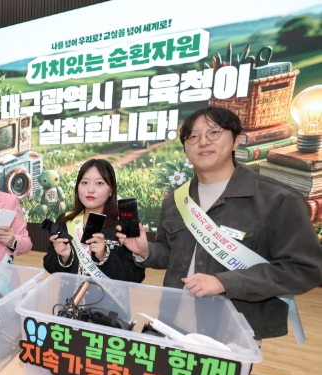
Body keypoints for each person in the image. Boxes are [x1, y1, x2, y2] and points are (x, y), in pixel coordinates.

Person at [117, 106, 322, 341]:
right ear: (185, 148)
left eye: (214, 132)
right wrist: (145, 251)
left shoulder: (277, 199)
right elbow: (171, 256)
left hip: (234, 334)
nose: (203, 142)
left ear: (236, 141)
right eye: (193, 136)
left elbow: (305, 270)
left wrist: (224, 282)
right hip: (171, 325)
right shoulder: (175, 200)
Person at [43, 159, 144, 283]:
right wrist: (64, 258)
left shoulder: (125, 223)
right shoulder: (65, 220)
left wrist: (104, 256)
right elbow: (49, 265)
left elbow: (136, 277)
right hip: (69, 295)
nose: (90, 189)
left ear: (111, 190)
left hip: (110, 296)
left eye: (99, 183)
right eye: (85, 182)